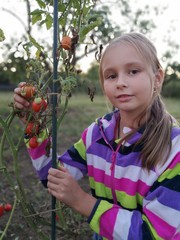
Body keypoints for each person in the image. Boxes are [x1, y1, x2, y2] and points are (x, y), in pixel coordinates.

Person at [14, 32, 180, 240]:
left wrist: (83, 202)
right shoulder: (96, 135)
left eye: (133, 71)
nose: (120, 82)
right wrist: (33, 124)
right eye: (111, 75)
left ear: (157, 78)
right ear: (103, 84)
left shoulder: (174, 151)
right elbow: (54, 178)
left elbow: (154, 235)